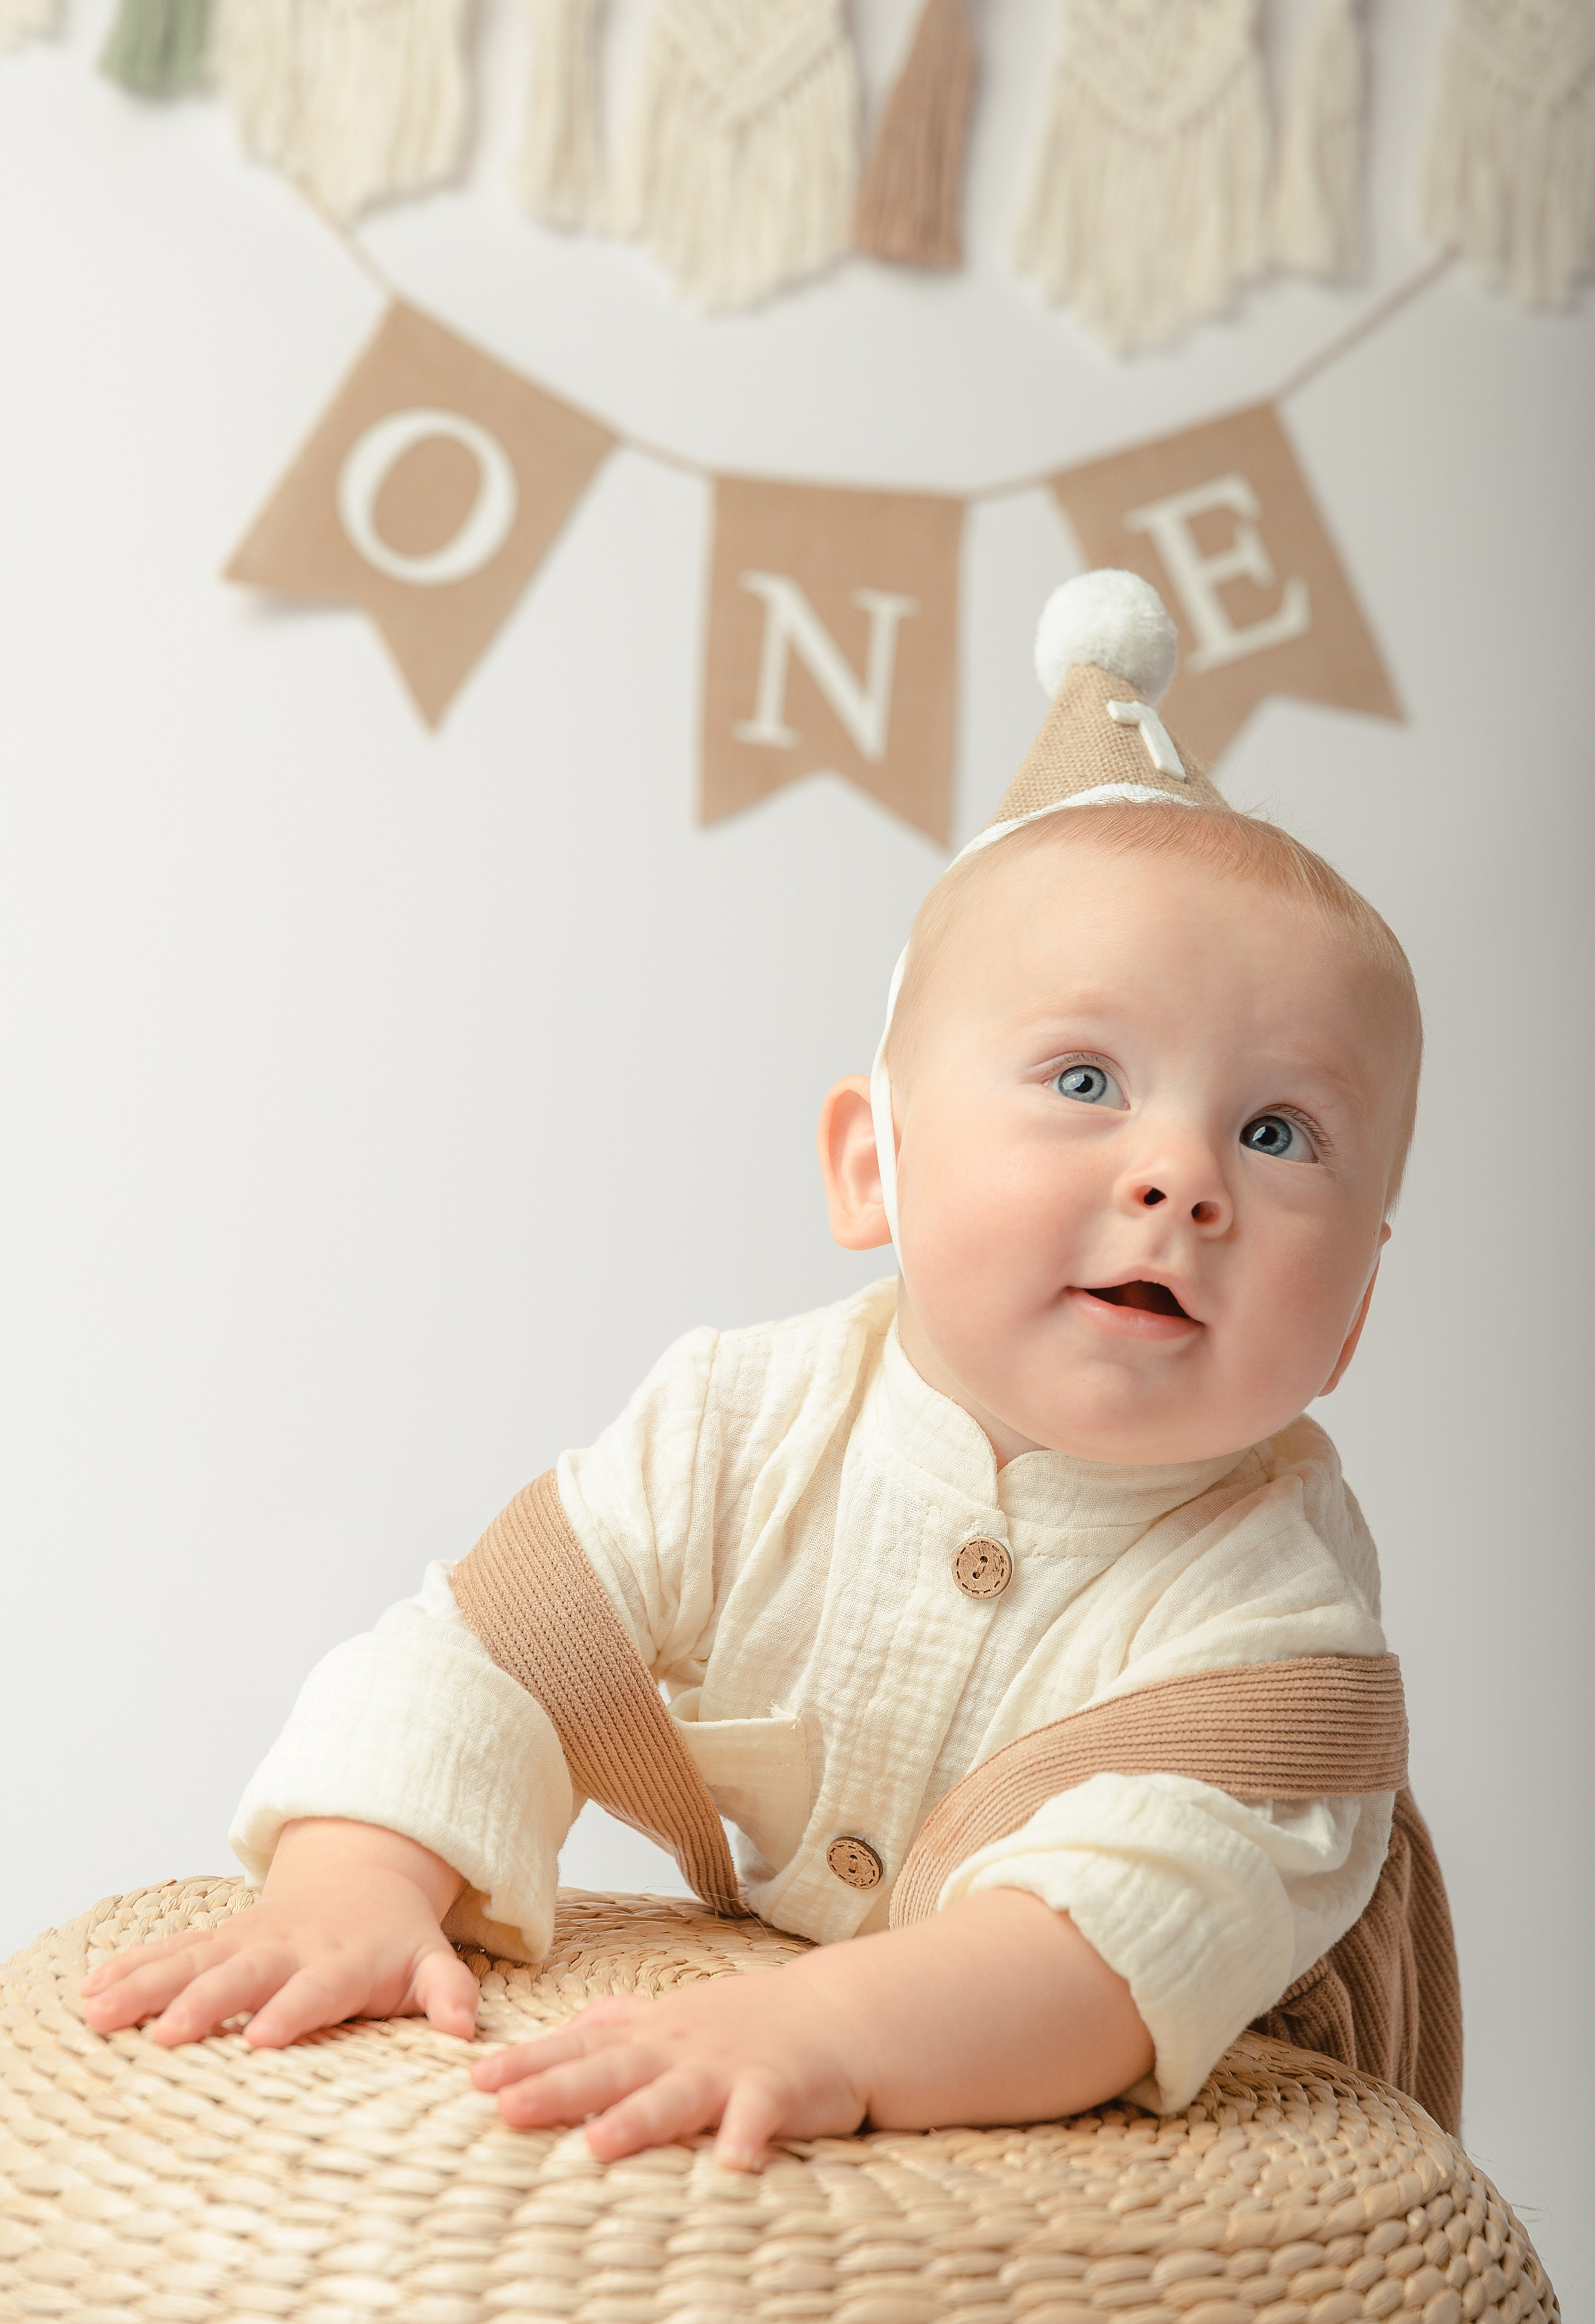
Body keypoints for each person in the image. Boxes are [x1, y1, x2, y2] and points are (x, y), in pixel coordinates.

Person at [79, 573, 1436, 2173]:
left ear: (1354, 1311)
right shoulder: (742, 1420)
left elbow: (1117, 1930)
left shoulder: (1272, 1621)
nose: (1180, 1175)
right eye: (1084, 1079)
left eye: (1276, 1130)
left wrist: (825, 2028)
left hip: (1175, 2119)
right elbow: (491, 1649)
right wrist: (357, 1876)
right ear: (874, 1165)